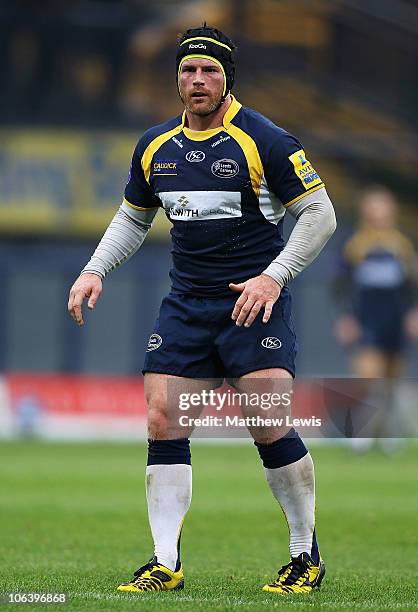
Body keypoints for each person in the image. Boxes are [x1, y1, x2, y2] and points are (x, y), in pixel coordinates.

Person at [68, 25, 336, 595]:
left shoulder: (265, 139)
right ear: (176, 79)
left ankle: (303, 556)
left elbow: (320, 215)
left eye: (209, 71)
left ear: (226, 78)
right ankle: (165, 563)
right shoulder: (155, 145)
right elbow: (133, 218)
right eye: (188, 71)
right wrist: (94, 269)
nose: (197, 80)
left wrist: (273, 277)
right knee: (163, 419)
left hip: (253, 303)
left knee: (267, 422)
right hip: (187, 305)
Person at [334, 186, 418, 446]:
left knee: (392, 380)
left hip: (394, 319)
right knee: (370, 378)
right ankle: (358, 434)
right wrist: (345, 317)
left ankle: (390, 436)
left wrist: (413, 313)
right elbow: (340, 284)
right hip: (367, 320)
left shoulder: (401, 243)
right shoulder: (355, 243)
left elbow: (411, 284)